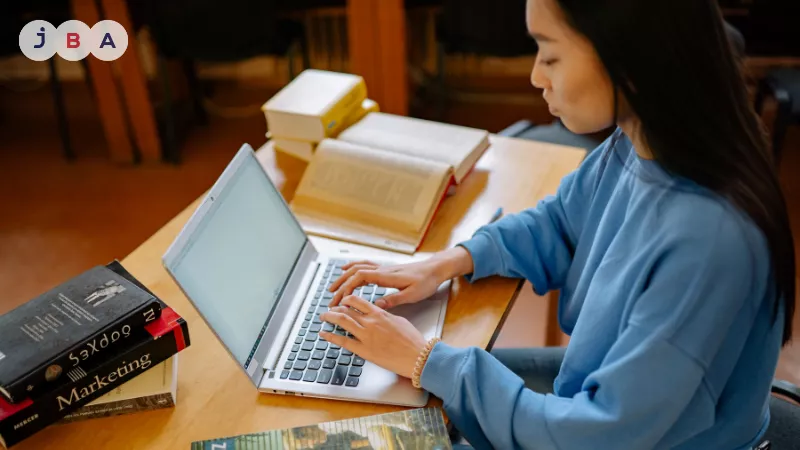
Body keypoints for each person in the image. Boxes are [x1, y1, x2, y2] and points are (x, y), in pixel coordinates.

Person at [318, 0, 796, 448]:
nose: (534, 77)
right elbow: (562, 223)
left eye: (549, 56)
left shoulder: (709, 241)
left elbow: (600, 434)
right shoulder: (642, 141)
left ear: (627, 57)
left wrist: (425, 360)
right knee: (380, 401)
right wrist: (448, 263)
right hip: (597, 406)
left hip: (609, 432)